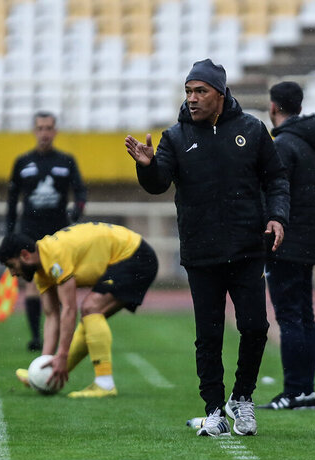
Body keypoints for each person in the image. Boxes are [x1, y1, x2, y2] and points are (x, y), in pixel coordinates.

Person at [124, 59, 289, 437]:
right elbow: (157, 183)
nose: (192, 99)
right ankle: (214, 409)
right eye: (188, 91)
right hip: (202, 252)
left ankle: (242, 398)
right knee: (209, 335)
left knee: (255, 327)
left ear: (220, 93)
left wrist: (278, 215)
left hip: (248, 248)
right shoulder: (175, 138)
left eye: (200, 91)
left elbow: (276, 178)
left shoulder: (251, 129)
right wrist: (147, 166)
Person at [0, 222, 158, 398]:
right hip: (128, 257)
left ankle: (105, 384)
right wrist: (41, 367)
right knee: (90, 318)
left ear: (25, 255)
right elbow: (52, 316)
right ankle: (51, 371)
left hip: (136, 256)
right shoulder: (41, 271)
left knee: (91, 308)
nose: (13, 273)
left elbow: (69, 308)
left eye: (11, 266)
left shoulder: (54, 255)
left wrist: (62, 354)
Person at [257, 81, 315, 411]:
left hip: (286, 240)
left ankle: (294, 391)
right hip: (308, 239)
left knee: (289, 318)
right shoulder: (312, 146)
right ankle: (306, 391)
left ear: (273, 107)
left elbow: (275, 192)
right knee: (305, 316)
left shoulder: (284, 145)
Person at [6, 111, 87, 352]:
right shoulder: (22, 163)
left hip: (58, 233)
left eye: (49, 128)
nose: (44, 133)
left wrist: (77, 210)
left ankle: (62, 332)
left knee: (60, 281)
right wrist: (10, 234)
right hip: (29, 232)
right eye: (40, 128)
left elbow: (81, 191)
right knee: (32, 283)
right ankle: (35, 337)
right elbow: (11, 200)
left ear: (55, 131)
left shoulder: (66, 161)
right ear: (34, 131)